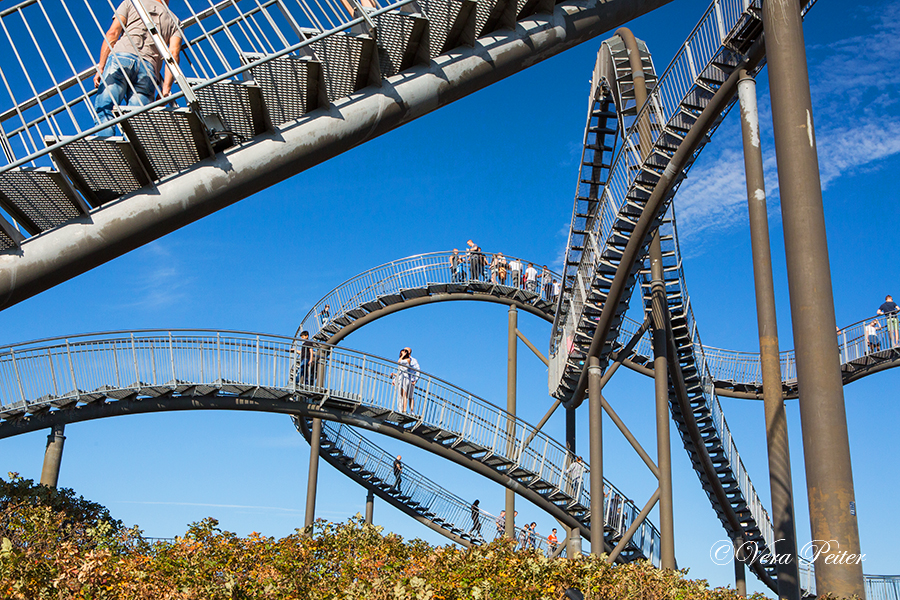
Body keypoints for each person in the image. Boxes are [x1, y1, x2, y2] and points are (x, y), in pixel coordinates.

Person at [93, 0, 183, 136]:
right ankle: (133, 152)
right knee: (137, 121)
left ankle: (106, 146)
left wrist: (101, 65)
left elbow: (113, 33)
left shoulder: (132, 2)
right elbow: (174, 54)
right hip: (149, 69)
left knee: (106, 107)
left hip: (121, 58)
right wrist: (166, 90)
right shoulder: (174, 20)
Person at [391, 348, 413, 412]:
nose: (401, 354)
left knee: (404, 394)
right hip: (401, 378)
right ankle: (400, 408)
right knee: (400, 394)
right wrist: (394, 375)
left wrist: (403, 355)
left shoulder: (408, 360)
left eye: (403, 352)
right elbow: (400, 372)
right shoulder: (402, 360)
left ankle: (404, 409)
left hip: (405, 378)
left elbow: (399, 362)